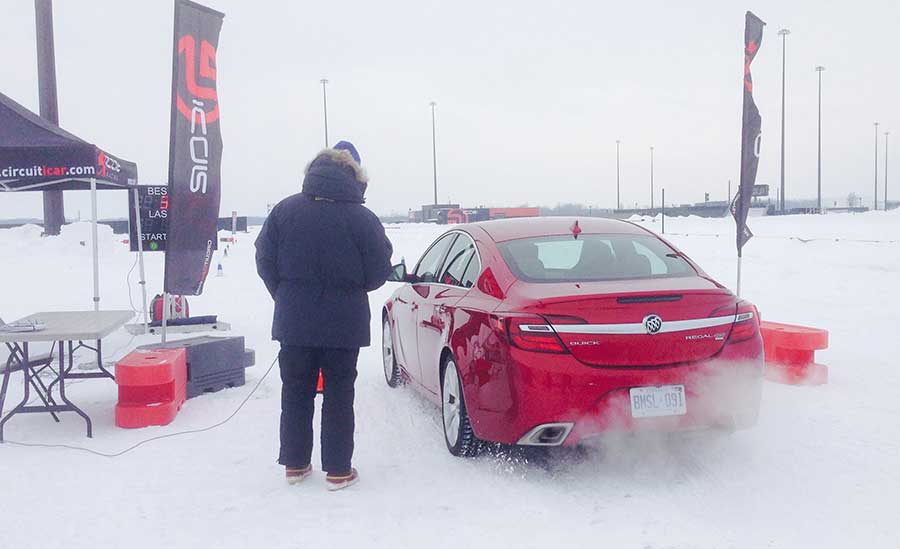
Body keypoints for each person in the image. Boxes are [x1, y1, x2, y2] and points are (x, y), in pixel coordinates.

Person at [255, 141, 393, 491]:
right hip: (344, 325)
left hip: (295, 321)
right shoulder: (363, 219)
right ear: (355, 176)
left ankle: (296, 465)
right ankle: (338, 470)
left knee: (296, 390)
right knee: (339, 393)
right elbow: (379, 272)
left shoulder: (284, 211)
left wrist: (285, 294)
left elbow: (264, 258)